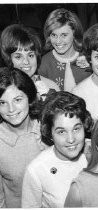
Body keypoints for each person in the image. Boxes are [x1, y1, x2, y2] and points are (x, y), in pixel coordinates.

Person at [21, 91, 93, 207]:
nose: (71, 139)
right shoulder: (37, 170)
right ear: (49, 134)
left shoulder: (97, 154)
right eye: (61, 131)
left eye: (76, 129)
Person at [0, 67, 47, 208]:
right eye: (2, 103)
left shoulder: (47, 127)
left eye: (17, 99)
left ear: (30, 97)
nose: (11, 109)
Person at [0, 24, 60, 100]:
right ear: (8, 59)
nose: (26, 62)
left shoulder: (51, 87)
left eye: (30, 55)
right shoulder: (3, 89)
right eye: (18, 57)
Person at [38, 8, 92, 91]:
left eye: (64, 35)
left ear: (74, 33)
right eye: (54, 35)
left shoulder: (89, 58)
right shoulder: (44, 63)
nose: (58, 41)